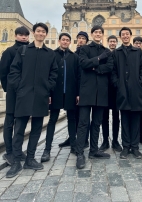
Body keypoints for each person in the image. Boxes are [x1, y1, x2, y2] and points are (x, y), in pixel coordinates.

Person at [6, 23, 58, 178]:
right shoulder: (22, 51)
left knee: (36, 130)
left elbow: (54, 73)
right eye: (38, 31)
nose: (41, 33)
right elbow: (13, 71)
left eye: (43, 31)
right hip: (24, 95)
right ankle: (16, 162)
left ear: (46, 34)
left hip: (40, 96)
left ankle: (30, 158)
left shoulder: (50, 54)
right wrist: (19, 88)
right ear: (34, 33)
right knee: (19, 130)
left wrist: (47, 88)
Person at [76, 25, 113, 169]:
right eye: (96, 32)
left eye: (100, 32)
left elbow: (109, 67)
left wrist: (95, 67)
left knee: (97, 122)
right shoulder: (85, 48)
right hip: (87, 91)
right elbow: (83, 64)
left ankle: (93, 150)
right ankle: (80, 153)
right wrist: (99, 59)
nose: (98, 34)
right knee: (83, 123)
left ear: (102, 35)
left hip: (101, 92)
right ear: (92, 34)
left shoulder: (107, 51)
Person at [41, 33, 80, 162]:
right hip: (56, 93)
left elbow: (78, 76)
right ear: (59, 41)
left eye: (67, 40)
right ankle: (47, 149)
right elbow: (47, 74)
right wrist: (49, 93)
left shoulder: (74, 57)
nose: (65, 42)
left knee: (72, 119)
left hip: (70, 93)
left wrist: (78, 93)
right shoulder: (52, 54)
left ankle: (73, 145)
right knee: (52, 120)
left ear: (70, 42)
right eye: (63, 40)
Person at [112, 27, 142, 159]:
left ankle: (135, 147)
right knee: (125, 120)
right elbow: (113, 71)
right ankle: (126, 147)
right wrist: (117, 83)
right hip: (122, 91)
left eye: (127, 34)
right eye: (123, 34)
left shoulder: (138, 52)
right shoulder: (116, 53)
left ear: (130, 36)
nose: (125, 36)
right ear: (120, 37)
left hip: (136, 91)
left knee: (136, 120)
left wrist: (140, 83)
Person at [0, 26, 30, 166]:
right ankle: (9, 151)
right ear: (16, 35)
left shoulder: (30, 51)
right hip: (13, 92)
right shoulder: (9, 51)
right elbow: (4, 72)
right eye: (21, 35)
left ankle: (17, 150)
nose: (23, 37)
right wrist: (9, 89)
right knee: (9, 121)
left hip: (25, 92)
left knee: (21, 121)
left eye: (25, 35)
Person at [58, 31, 89, 149]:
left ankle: (85, 139)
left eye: (83, 38)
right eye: (79, 38)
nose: (81, 40)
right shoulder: (74, 53)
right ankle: (72, 138)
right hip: (74, 89)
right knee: (73, 115)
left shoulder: (87, 52)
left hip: (84, 89)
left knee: (84, 116)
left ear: (86, 40)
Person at [99, 35, 122, 152]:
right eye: (111, 41)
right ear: (108, 42)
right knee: (104, 117)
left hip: (116, 90)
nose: (112, 43)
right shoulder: (104, 53)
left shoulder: (119, 54)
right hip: (105, 89)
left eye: (114, 41)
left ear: (116, 43)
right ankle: (105, 141)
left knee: (116, 116)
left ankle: (115, 141)